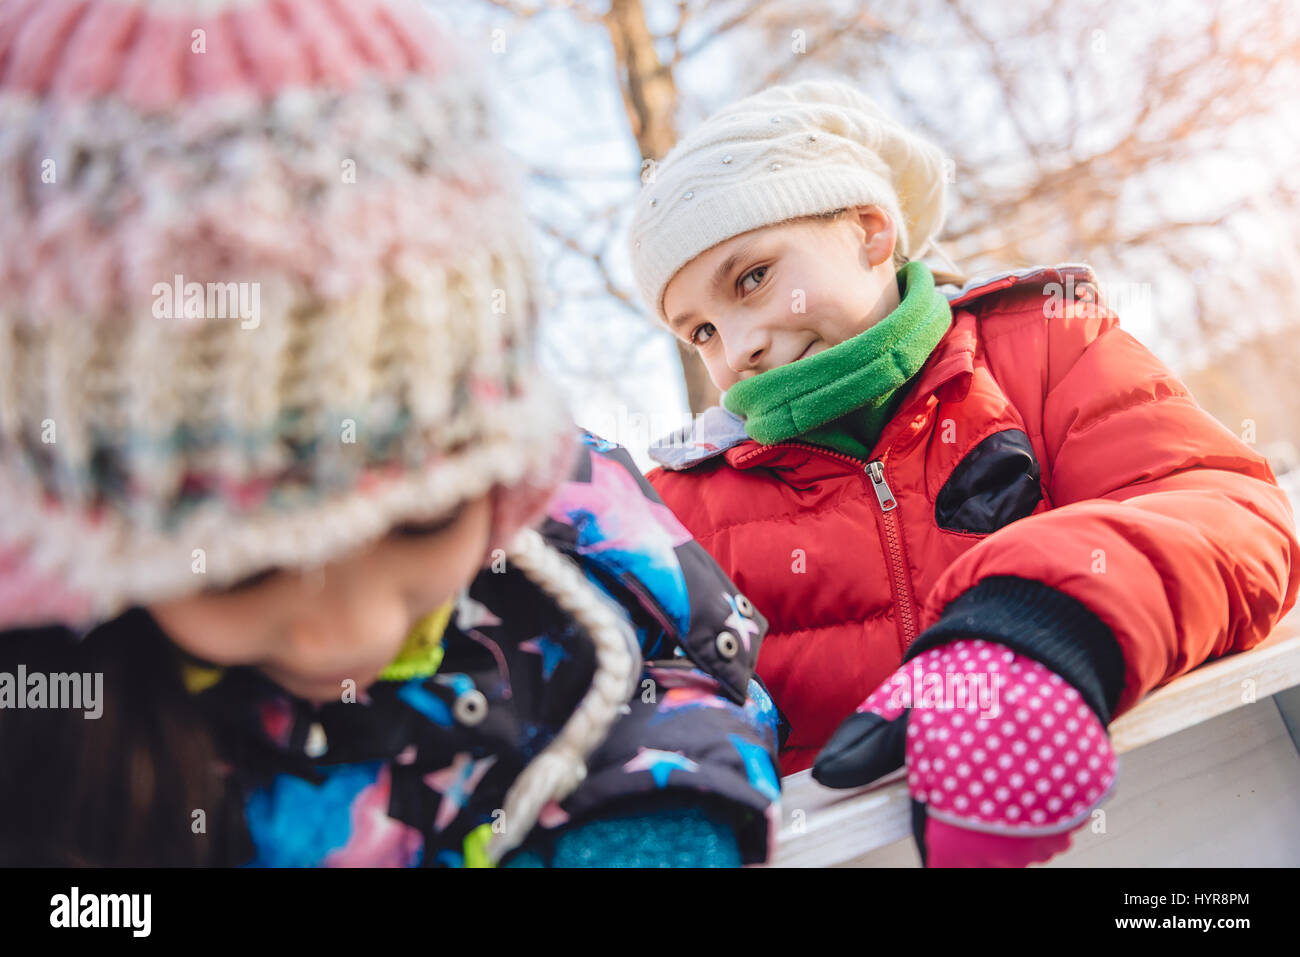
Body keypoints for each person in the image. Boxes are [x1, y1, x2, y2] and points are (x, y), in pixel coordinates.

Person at [0, 0, 782, 867]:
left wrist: (641, 824)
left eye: (422, 521)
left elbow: (686, 675)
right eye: (241, 569)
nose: (354, 633)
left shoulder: (576, 541)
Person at [628, 78, 1300, 866]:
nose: (736, 345)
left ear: (873, 229)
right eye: (701, 328)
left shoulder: (1041, 349)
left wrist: (1039, 624)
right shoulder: (682, 507)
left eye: (753, 278)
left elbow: (1227, 506)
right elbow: (646, 692)